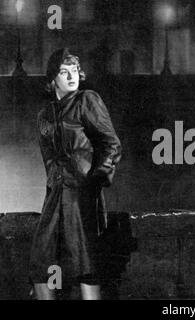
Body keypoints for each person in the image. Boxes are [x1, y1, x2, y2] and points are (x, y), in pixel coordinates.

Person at [29, 48, 122, 300]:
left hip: (83, 195)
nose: (72, 76)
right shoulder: (44, 115)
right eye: (63, 71)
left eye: (74, 71)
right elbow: (48, 160)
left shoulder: (87, 100)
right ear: (52, 79)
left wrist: (95, 180)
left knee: (86, 263)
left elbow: (111, 144)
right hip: (56, 197)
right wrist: (51, 191)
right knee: (40, 265)